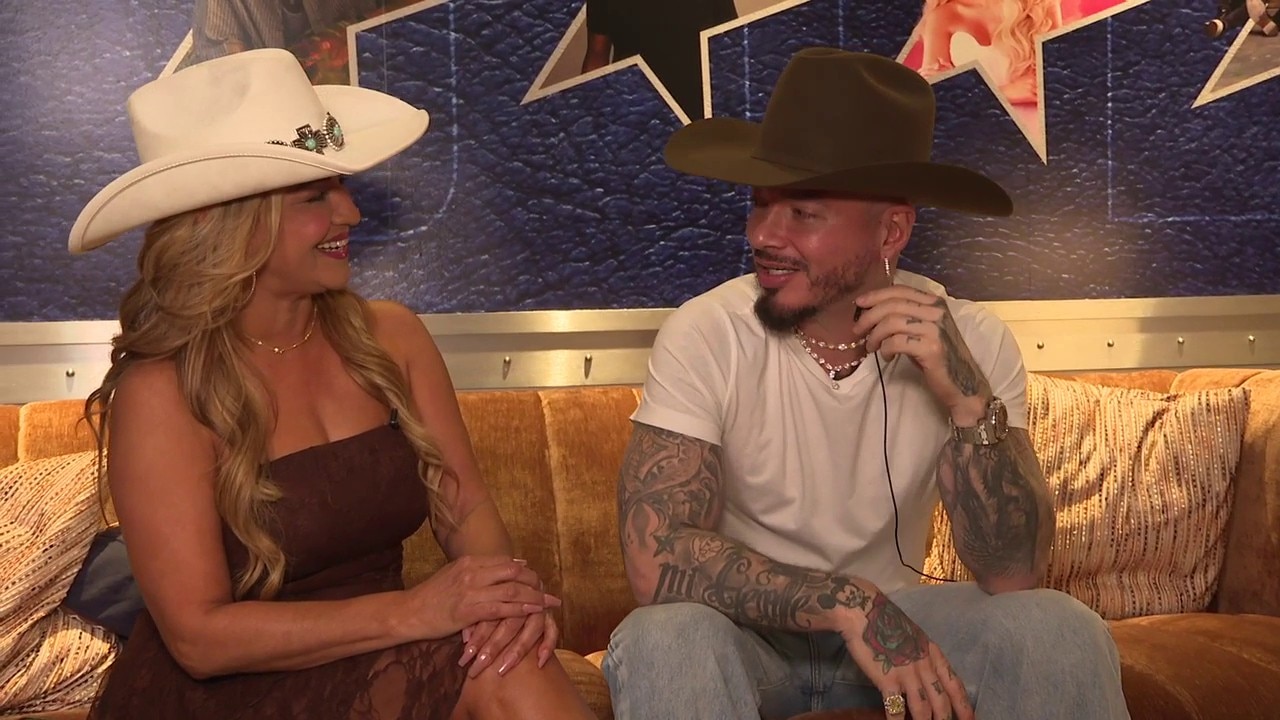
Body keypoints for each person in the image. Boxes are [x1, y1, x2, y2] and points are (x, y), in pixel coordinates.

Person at [602, 48, 1129, 720]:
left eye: (803, 213)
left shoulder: (972, 338)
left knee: (1056, 626)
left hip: (906, 622)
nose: (764, 235)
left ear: (892, 231)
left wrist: (969, 403)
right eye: (760, 206)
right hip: (749, 637)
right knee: (663, 637)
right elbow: (655, 560)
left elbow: (1013, 574)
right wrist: (848, 601)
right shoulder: (706, 332)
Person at [70, 48, 596, 720]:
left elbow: (465, 511)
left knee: (511, 661)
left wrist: (502, 605)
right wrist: (413, 611)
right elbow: (199, 638)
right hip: (229, 690)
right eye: (315, 196)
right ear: (222, 222)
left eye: (341, 186)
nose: (349, 212)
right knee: (506, 677)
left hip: (377, 653)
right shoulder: (162, 391)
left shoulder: (392, 338)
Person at [581, 0, 738, 120]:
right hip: (634, 112)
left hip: (700, 115)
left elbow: (731, 48)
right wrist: (588, 119)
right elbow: (597, 57)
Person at [914, 0, 1063, 104]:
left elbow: (1059, 77)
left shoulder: (1041, 5)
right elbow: (937, 98)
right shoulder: (941, 16)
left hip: (1035, 128)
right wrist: (1005, 93)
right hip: (976, 129)